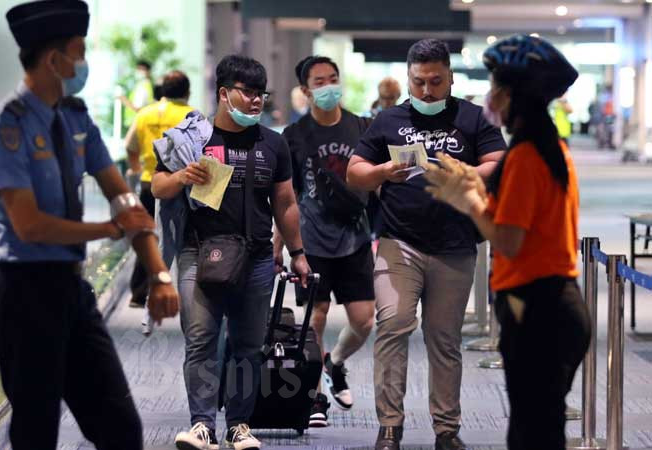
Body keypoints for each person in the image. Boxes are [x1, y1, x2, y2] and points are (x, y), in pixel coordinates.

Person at [0, 2, 179, 448]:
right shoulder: (3, 127)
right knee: (37, 430)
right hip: (22, 295)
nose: (83, 63)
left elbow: (122, 196)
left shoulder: (75, 118)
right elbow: (28, 225)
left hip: (71, 291)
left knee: (121, 429)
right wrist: (110, 230)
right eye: (80, 52)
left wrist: (159, 273)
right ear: (55, 60)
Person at [423, 34, 591, 450]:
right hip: (556, 305)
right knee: (538, 427)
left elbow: (509, 241)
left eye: (497, 85)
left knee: (532, 433)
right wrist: (479, 196)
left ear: (518, 95)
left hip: (539, 308)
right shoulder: (549, 149)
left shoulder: (526, 157)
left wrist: (468, 204)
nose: (490, 95)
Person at [346, 39, 506, 450]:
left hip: (454, 247)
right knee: (393, 326)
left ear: (450, 78)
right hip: (400, 244)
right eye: (419, 82)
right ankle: (389, 426)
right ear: (408, 80)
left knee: (444, 338)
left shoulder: (472, 119)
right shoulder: (387, 121)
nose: (428, 91)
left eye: (436, 81)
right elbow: (355, 173)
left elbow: (498, 162)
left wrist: (469, 172)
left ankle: (446, 429)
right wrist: (383, 171)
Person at [151, 54, 311, 450]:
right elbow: (157, 186)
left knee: (247, 345)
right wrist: (181, 176)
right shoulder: (194, 139)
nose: (256, 101)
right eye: (248, 92)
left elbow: (286, 203)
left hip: (256, 257)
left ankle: (239, 425)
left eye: (261, 93)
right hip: (199, 252)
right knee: (201, 339)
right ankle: (202, 423)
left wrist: (298, 252)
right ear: (224, 94)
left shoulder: (273, 143)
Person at [276, 55, 374, 428]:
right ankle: (315, 396)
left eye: (333, 78)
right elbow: (286, 198)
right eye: (319, 82)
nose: (329, 86)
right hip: (313, 241)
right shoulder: (294, 136)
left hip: (356, 239)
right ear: (306, 90)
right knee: (314, 318)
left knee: (364, 320)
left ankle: (335, 364)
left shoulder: (362, 127)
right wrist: (281, 246)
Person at [125, 70, 193, 309]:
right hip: (180, 184)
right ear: (187, 91)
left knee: (148, 237)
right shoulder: (191, 116)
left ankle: (139, 291)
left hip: (147, 181)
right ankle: (185, 292)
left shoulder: (145, 114)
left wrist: (136, 169)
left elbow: (129, 146)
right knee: (184, 239)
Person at [120, 60, 155, 128]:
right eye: (138, 69)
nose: (139, 71)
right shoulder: (146, 85)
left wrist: (124, 100)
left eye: (142, 69)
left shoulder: (143, 86)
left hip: (137, 123)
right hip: (140, 123)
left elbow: (138, 109)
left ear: (148, 72)